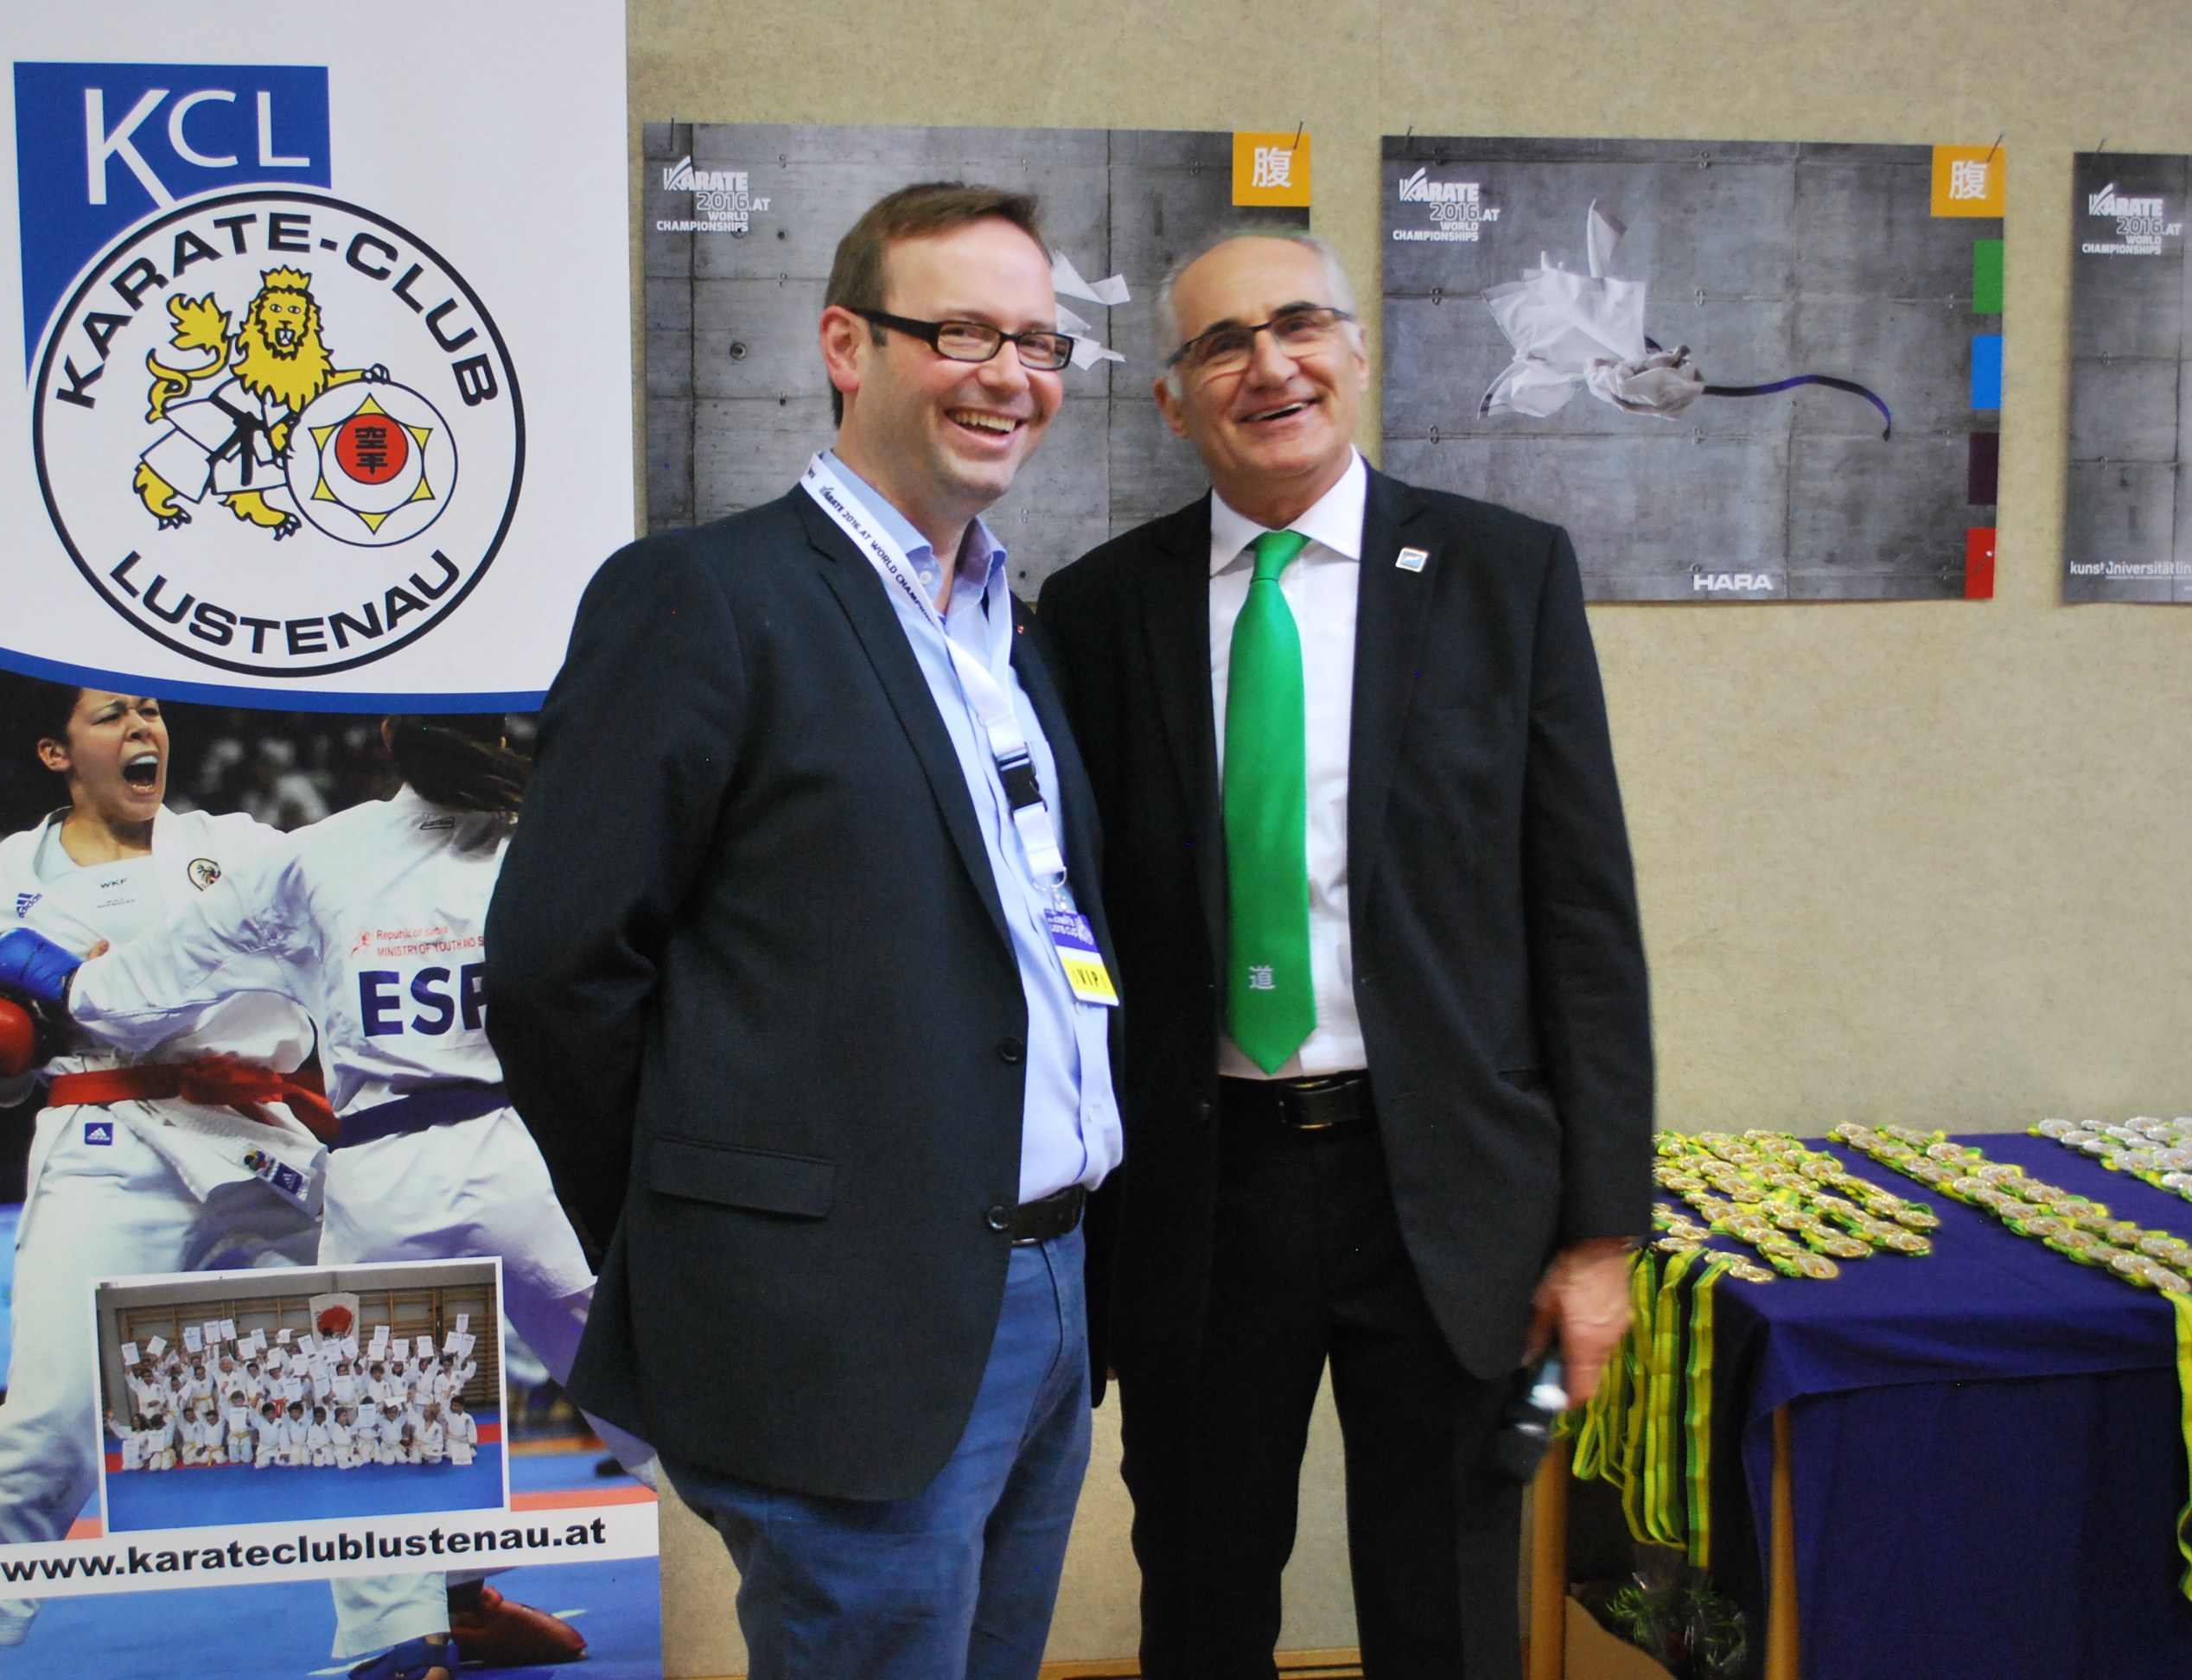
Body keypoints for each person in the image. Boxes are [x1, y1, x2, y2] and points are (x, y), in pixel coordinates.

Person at [483, 181, 1118, 1680]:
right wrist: (700, 1240)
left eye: (1039, 343)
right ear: (847, 345)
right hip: (835, 1325)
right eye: (962, 332)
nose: (1010, 376)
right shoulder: (702, 598)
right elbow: (555, 973)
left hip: (1044, 1294)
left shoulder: (1009, 631)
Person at [1035, 228, 1654, 1680]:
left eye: (1300, 324)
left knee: (1447, 1616)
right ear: (1172, 400)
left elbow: (1583, 917)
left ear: (1358, 354)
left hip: (1440, 1184)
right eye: (1222, 344)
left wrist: (1599, 1236)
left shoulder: (1503, 575)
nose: (1271, 365)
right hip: (1200, 1192)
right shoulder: (1099, 609)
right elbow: (1072, 919)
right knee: (1200, 1607)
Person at [0, 713, 611, 1680]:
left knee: (374, 1399)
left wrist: (57, 982)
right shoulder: (559, 833)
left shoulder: (311, 850)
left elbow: (142, 982)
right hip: (517, 1153)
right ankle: (742, 1563)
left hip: (364, 1163)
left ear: (389, 736)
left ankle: (409, 1635)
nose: (140, 725)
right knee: (634, 1384)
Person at [0, 687, 324, 1651]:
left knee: (405, 1341)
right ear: (56, 752)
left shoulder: (240, 846)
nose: (143, 728)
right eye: (112, 717)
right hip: (105, 1141)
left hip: (254, 1130)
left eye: (150, 711)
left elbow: (328, 956)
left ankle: (441, 1608)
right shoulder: (2, 881)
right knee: (54, 1415)